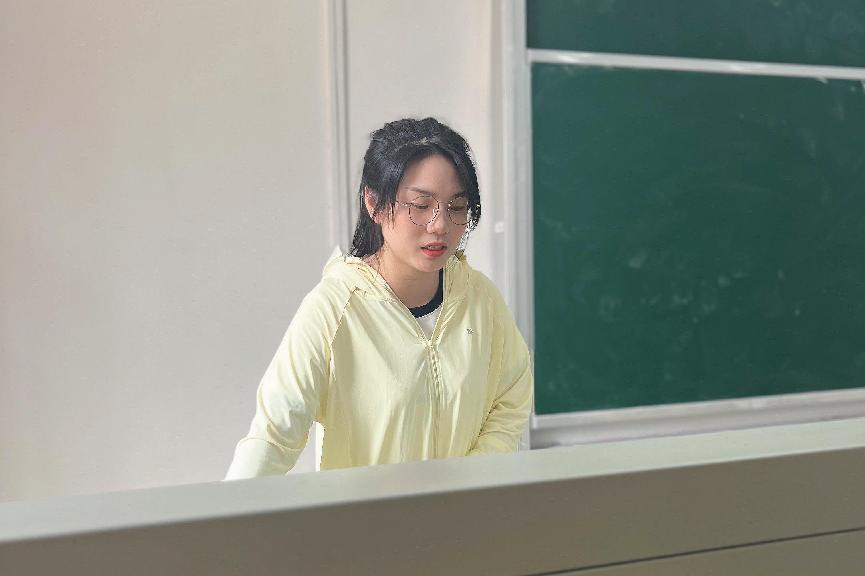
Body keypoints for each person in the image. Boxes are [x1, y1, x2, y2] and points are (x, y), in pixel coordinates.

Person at [225, 117, 532, 478]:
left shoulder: (479, 299)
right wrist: (232, 511)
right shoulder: (333, 309)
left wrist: (470, 480)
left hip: (464, 511)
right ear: (374, 202)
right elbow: (274, 436)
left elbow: (511, 399)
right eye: (420, 205)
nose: (439, 225)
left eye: (456, 206)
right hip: (368, 514)